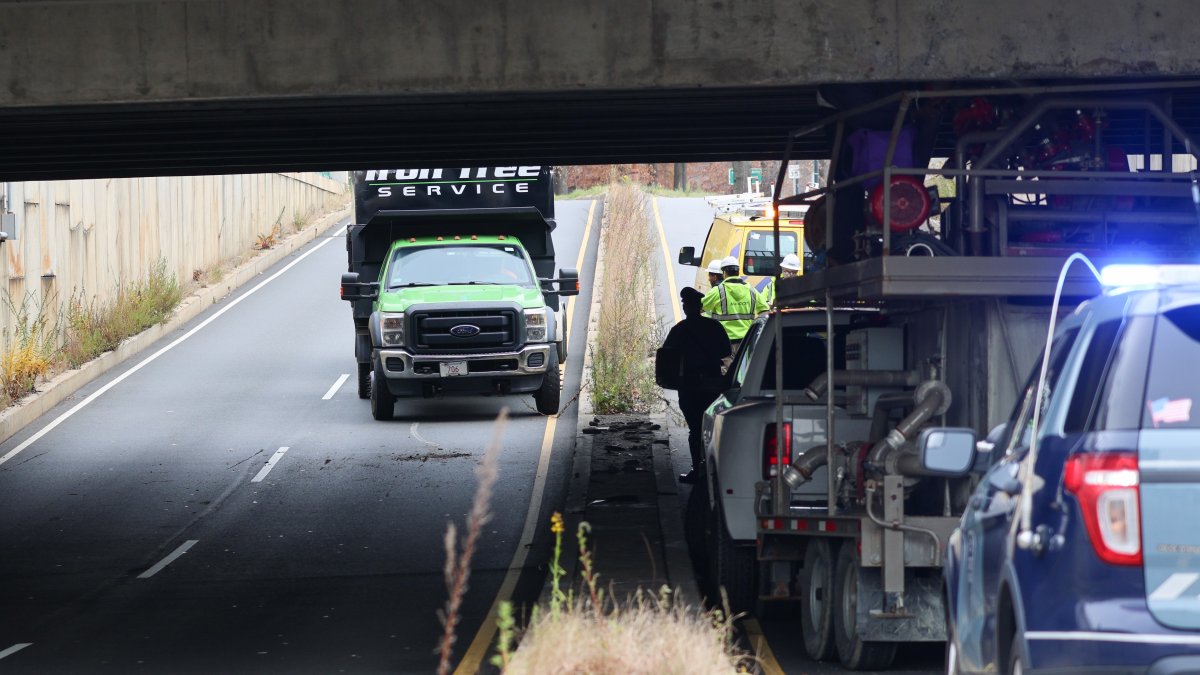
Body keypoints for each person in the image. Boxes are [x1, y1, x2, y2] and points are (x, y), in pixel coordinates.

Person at [660, 287, 731, 484]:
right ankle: (713, 470)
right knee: (712, 427)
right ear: (700, 307)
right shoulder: (714, 327)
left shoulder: (679, 330)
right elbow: (726, 350)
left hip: (689, 385)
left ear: (686, 307)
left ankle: (697, 468)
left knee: (695, 429)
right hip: (711, 384)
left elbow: (666, 354)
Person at [701, 256, 769, 356]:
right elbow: (765, 311)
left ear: (724, 272)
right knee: (744, 370)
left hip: (724, 342)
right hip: (746, 342)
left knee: (725, 370)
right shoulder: (751, 290)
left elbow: (699, 307)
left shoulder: (718, 291)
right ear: (738, 271)